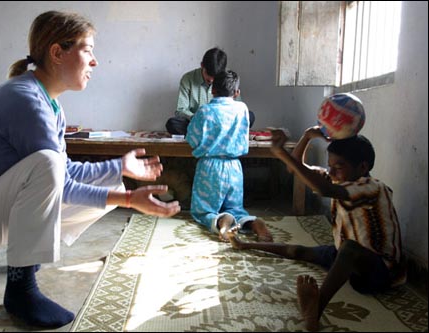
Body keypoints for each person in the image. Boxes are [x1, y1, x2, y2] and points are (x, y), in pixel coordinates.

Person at [0, 11, 180, 329]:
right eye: (88, 49)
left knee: (108, 183)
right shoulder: (25, 101)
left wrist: (118, 167)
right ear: (57, 52)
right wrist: (131, 200)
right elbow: (56, 177)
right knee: (58, 169)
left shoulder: (50, 103)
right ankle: (21, 289)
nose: (95, 61)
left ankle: (28, 255)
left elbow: (62, 174)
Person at [227, 125, 406, 331]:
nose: (331, 171)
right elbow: (295, 169)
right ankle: (245, 246)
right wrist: (306, 137)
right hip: (350, 261)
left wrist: (281, 152)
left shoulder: (373, 187)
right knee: (300, 251)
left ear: (363, 167)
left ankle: (314, 311)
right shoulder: (338, 179)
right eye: (329, 166)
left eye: (338, 166)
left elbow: (322, 188)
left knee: (348, 249)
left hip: (381, 273)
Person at [185, 70, 273, 243]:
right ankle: (254, 223)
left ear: (212, 90)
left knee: (204, 211)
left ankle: (222, 224)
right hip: (234, 168)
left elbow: (192, 138)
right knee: (236, 208)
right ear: (236, 93)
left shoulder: (205, 110)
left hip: (209, 168)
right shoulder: (242, 108)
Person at [166, 47, 255, 135]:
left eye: (215, 77)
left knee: (249, 116)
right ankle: (220, 134)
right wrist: (199, 118)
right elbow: (180, 110)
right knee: (172, 124)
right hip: (199, 123)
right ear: (202, 66)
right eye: (209, 75)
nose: (212, 80)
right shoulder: (188, 79)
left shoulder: (228, 79)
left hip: (223, 122)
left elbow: (237, 108)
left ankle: (207, 134)